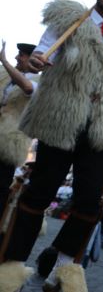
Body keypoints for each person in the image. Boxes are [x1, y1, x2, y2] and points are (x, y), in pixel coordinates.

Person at [0, 0, 103, 292]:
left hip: (101, 127)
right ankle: (13, 265)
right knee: (39, 193)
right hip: (63, 119)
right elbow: (42, 56)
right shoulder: (68, 20)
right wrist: (40, 60)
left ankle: (65, 268)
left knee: (90, 201)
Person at [0, 41, 38, 216]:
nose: (16, 57)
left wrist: (5, 62)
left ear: (32, 59)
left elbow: (27, 87)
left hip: (9, 143)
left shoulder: (39, 81)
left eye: (21, 55)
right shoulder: (6, 78)